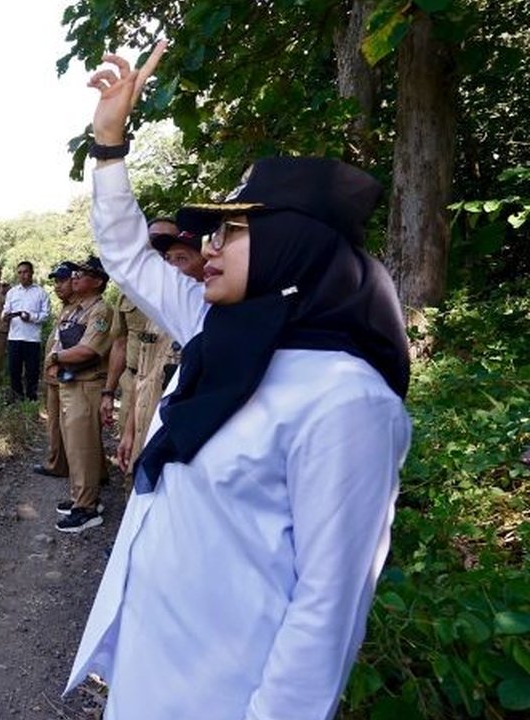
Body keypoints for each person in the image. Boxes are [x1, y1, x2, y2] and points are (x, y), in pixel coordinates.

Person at [66, 43, 413, 720]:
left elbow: (329, 603)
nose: (211, 248)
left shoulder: (347, 400)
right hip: (151, 668)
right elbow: (128, 254)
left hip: (226, 695)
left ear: (295, 243)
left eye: (233, 231)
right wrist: (109, 144)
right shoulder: (220, 336)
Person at [116, 219, 205, 475]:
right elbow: (143, 378)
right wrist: (130, 432)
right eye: (167, 258)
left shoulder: (208, 321)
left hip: (172, 441)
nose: (170, 267)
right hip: (142, 426)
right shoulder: (156, 320)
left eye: (181, 259)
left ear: (205, 264)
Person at [46, 256, 119, 533]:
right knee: (74, 447)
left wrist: (55, 357)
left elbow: (89, 350)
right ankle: (82, 497)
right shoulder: (75, 309)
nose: (74, 277)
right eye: (74, 273)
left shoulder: (101, 311)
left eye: (83, 274)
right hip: (69, 384)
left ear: (98, 281)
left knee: (83, 448)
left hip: (87, 385)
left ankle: (87, 509)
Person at [34, 262, 77, 479]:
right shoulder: (66, 307)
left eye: (62, 280)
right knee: (55, 424)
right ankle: (57, 462)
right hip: (55, 377)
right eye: (56, 282)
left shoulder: (82, 308)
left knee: (67, 425)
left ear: (75, 281)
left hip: (68, 377)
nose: (57, 286)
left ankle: (71, 468)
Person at [2, 261, 51, 401]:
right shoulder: (12, 292)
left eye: (25, 272)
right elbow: (6, 309)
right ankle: (17, 396)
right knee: (14, 369)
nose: (22, 275)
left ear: (31, 273)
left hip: (32, 338)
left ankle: (31, 397)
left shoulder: (41, 293)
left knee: (32, 370)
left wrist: (31, 317)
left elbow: (45, 315)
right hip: (14, 337)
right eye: (20, 272)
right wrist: (4, 315)